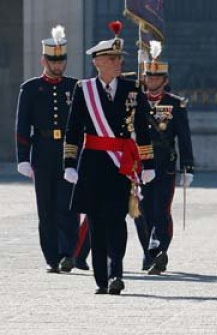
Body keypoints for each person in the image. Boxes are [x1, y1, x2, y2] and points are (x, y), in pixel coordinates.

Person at [63, 21, 156, 294]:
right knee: (96, 222)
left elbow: (142, 129)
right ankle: (101, 279)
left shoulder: (132, 90)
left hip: (120, 165)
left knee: (117, 220)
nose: (118, 63)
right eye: (112, 58)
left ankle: (116, 274)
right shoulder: (85, 89)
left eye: (119, 59)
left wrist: (148, 164)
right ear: (98, 62)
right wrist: (69, 163)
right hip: (92, 164)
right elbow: (73, 129)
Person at [14, 25, 81, 273]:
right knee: (46, 209)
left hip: (67, 153)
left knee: (67, 207)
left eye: (61, 60)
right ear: (44, 60)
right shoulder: (30, 88)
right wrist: (23, 157)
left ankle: (67, 254)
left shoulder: (76, 87)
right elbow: (22, 125)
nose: (57, 64)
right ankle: (52, 257)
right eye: (53, 60)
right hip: (42, 153)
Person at [133, 44, 195, 275]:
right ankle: (148, 253)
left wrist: (188, 167)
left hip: (164, 164)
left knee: (161, 210)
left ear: (164, 79)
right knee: (141, 211)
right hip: (139, 163)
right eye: (149, 76)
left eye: (157, 76)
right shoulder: (136, 99)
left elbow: (184, 138)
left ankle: (159, 252)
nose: (152, 80)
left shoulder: (175, 103)